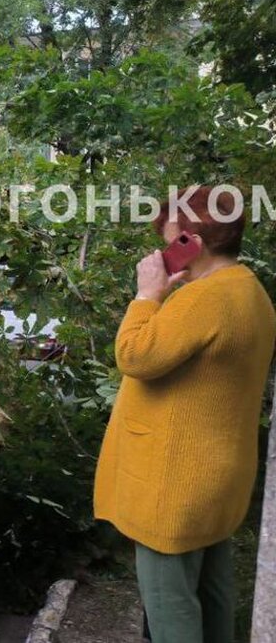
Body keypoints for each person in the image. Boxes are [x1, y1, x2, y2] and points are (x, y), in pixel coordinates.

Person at [94, 186, 276, 643]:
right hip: (217, 479)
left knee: (170, 610)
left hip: (173, 486)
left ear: (194, 238)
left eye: (171, 236)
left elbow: (135, 355)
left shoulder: (205, 299)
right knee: (212, 600)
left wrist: (146, 295)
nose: (163, 247)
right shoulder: (251, 293)